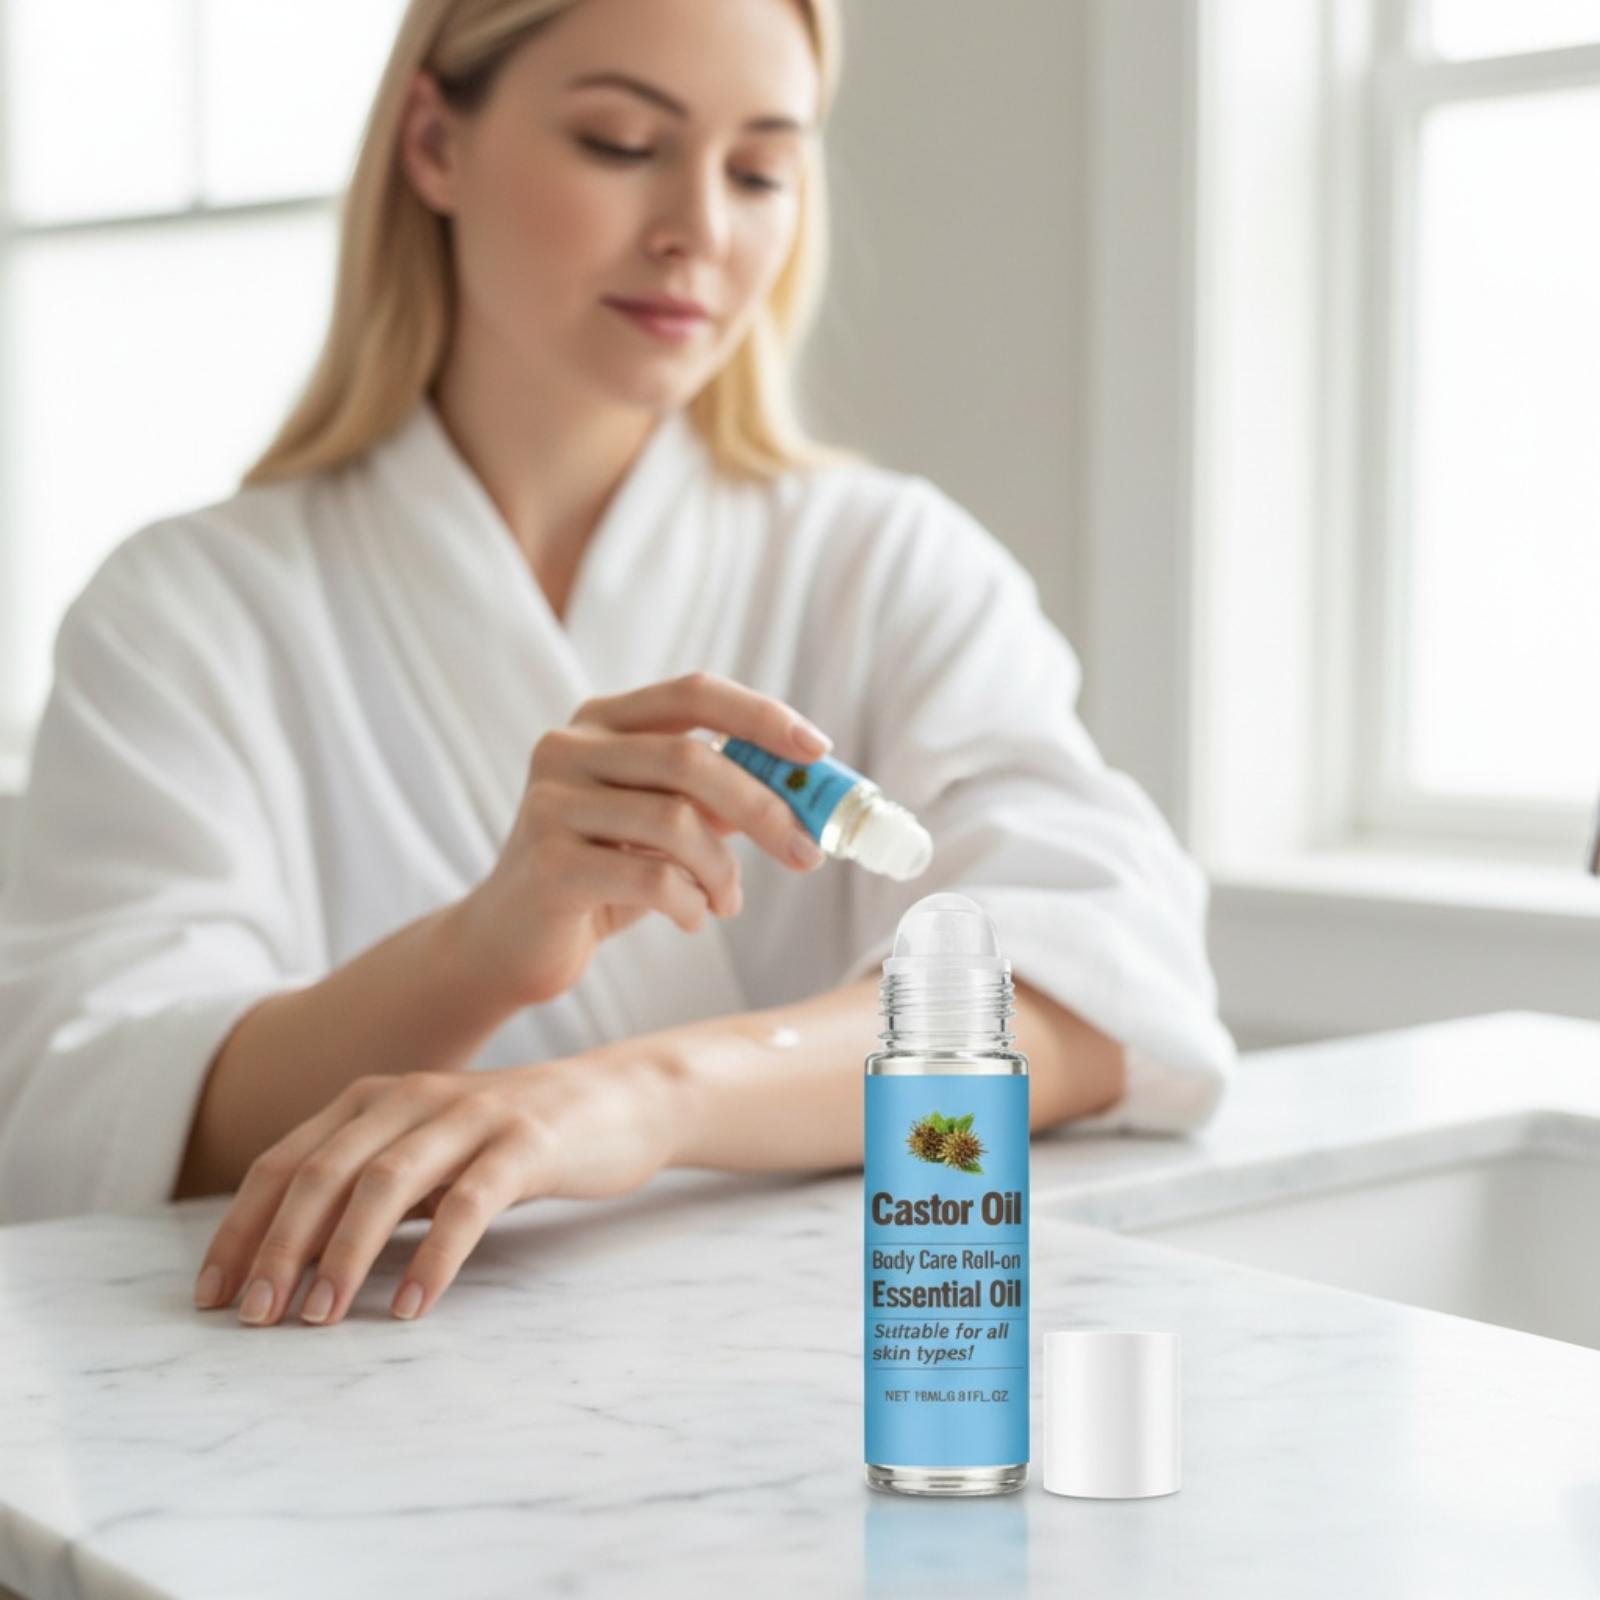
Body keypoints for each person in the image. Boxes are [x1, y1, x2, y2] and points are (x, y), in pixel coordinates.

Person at [0, 0, 1237, 1326]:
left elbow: (1100, 997)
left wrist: (641, 1098)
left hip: (817, 1368)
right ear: (434, 143)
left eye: (759, 170)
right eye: (621, 143)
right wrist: (481, 953)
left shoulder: (888, 566)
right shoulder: (184, 612)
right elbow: (105, 1118)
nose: (698, 228)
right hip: (343, 1377)